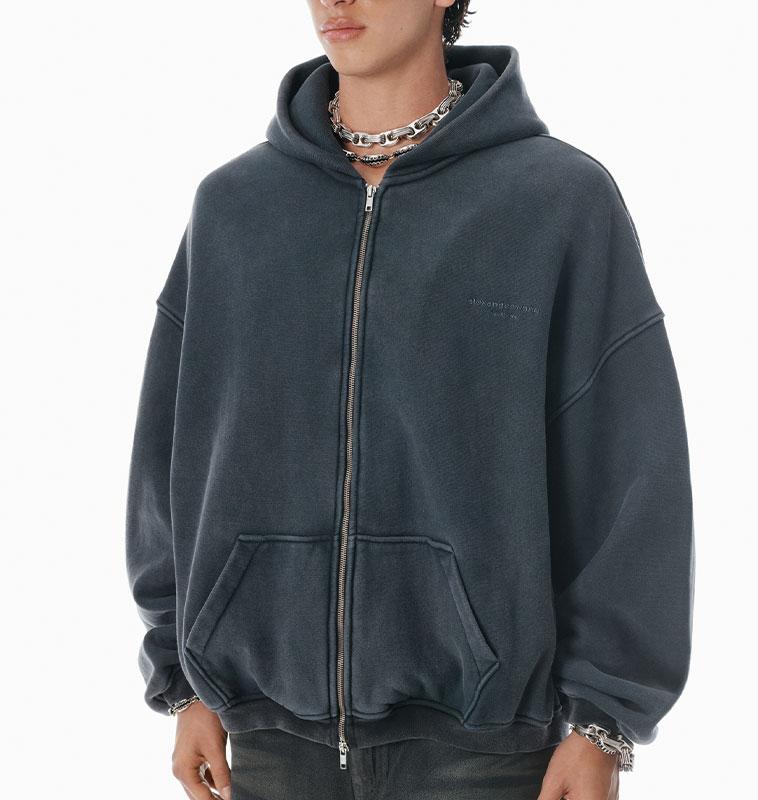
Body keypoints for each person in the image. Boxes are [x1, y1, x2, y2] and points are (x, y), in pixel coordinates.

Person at [125, 1, 695, 798]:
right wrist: (186, 684)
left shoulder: (556, 201)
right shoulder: (236, 207)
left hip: (485, 751)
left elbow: (629, 471)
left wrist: (604, 721)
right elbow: (169, 461)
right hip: (268, 743)